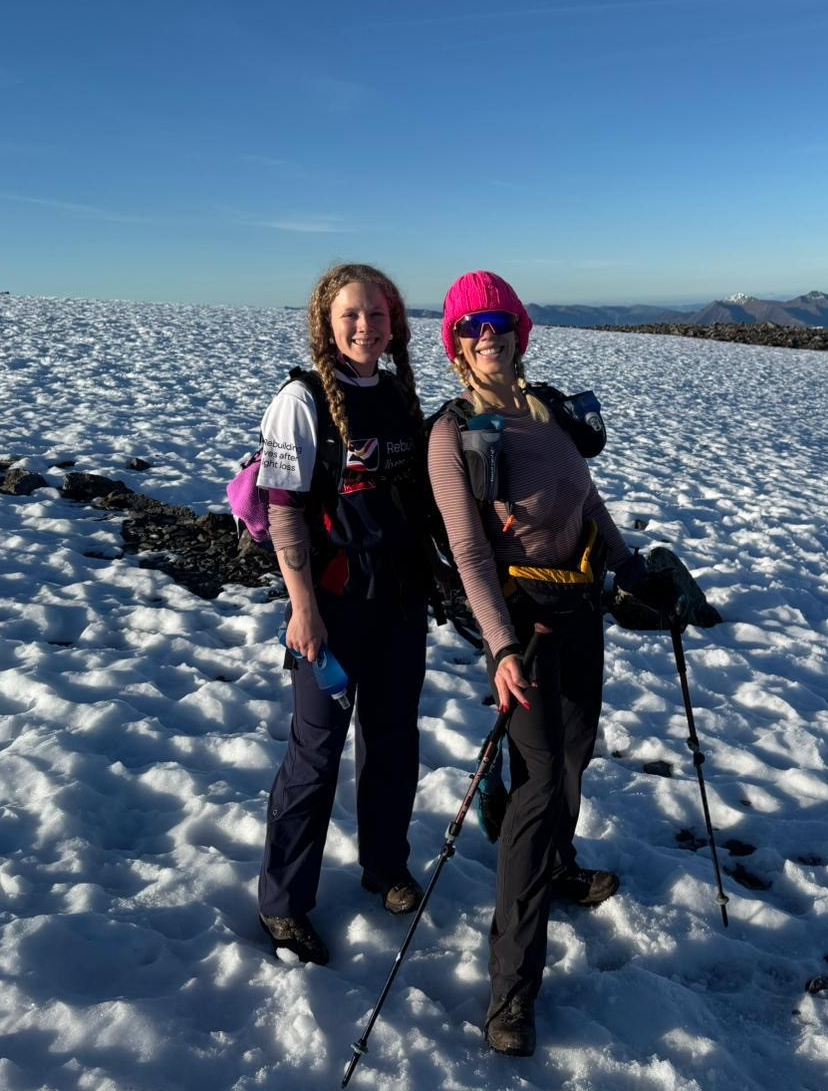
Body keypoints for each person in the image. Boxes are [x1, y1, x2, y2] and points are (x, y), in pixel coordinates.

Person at [426, 270, 673, 1057]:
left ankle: (562, 867)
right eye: (471, 327)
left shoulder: (547, 412)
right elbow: (468, 550)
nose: (487, 335)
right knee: (534, 792)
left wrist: (633, 571)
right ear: (456, 346)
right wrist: (498, 644)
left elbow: (590, 505)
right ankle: (512, 990)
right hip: (523, 626)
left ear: (520, 331)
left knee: (573, 755)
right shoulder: (450, 432)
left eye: (499, 322)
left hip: (580, 612)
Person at [254, 262, 430, 966]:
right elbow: (285, 509)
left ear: (396, 326)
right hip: (328, 606)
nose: (366, 327)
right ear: (326, 324)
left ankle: (385, 866)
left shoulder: (398, 397)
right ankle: (284, 903)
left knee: (393, 738)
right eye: (351, 315)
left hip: (398, 599)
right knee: (316, 751)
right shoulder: (300, 402)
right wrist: (302, 610)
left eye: (378, 315)